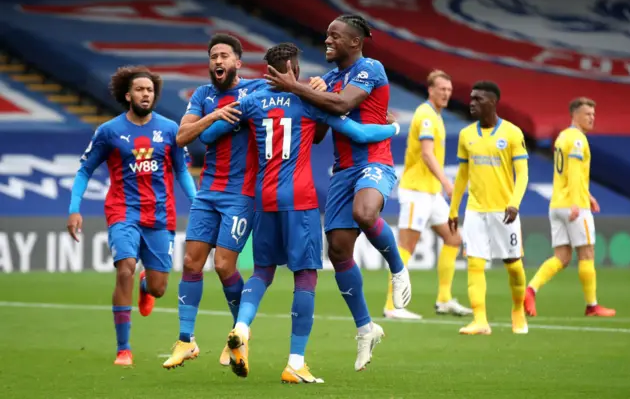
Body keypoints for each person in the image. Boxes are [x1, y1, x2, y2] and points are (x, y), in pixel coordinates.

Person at [201, 42, 400, 383]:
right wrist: (393, 128)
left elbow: (207, 135)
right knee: (305, 277)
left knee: (262, 271)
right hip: (299, 198)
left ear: (270, 69)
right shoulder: (308, 101)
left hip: (263, 197)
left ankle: (241, 328)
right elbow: (360, 132)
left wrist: (220, 116)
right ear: (294, 69)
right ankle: (295, 362)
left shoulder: (250, 101)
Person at [163, 34, 327, 369]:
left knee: (224, 266)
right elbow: (182, 137)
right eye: (213, 56)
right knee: (192, 263)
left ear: (238, 62)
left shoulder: (254, 91)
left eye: (224, 55)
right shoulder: (202, 95)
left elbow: (290, 97)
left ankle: (240, 337)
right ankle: (186, 340)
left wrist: (311, 88)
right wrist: (213, 116)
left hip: (242, 193)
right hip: (207, 189)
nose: (217, 61)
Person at [265, 14, 410, 371]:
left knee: (365, 213)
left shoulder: (370, 68)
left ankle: (398, 269)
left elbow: (344, 105)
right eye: (327, 34)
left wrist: (299, 89)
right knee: (339, 250)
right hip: (343, 170)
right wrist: (312, 96)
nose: (327, 40)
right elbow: (316, 133)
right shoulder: (329, 79)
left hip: (375, 161)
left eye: (335, 36)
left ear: (355, 42)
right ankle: (365, 328)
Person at [66, 66, 197, 366]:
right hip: (122, 212)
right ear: (128, 95)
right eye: (140, 89)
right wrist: (74, 209)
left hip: (160, 217)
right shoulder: (109, 131)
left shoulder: (169, 129)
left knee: (159, 288)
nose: (145, 94)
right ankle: (123, 349)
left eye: (150, 90)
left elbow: (180, 171)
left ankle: (145, 285)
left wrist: (198, 202)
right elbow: (85, 169)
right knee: (124, 266)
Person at [387, 69, 471, 320]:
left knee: (454, 238)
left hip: (431, 193)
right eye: (441, 89)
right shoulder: (425, 115)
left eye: (449, 90)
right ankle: (392, 305)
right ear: (430, 90)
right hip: (416, 192)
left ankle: (444, 299)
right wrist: (447, 181)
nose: (446, 94)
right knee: (406, 246)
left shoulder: (435, 116)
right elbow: (426, 153)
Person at [448, 81, 529, 335]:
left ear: (493, 103)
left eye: (478, 99)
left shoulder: (513, 133)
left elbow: (523, 174)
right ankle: (480, 320)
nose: (472, 103)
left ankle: (518, 310)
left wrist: (514, 203)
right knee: (474, 264)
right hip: (475, 210)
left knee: (513, 265)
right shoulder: (466, 135)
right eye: (471, 98)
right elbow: (462, 175)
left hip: (504, 211)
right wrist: (453, 208)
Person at [524, 98, 615, 318]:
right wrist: (577, 201)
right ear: (574, 115)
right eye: (587, 114)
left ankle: (530, 290)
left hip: (557, 204)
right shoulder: (577, 140)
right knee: (587, 253)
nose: (591, 118)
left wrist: (588, 195)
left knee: (562, 257)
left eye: (593, 114)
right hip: (573, 206)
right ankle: (592, 305)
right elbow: (574, 171)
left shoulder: (563, 137)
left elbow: (567, 175)